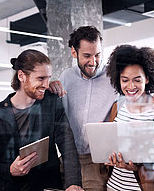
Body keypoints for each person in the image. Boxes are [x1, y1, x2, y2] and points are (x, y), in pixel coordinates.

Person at [0, 49, 83, 191]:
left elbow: (67, 145)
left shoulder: (51, 103)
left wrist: (73, 183)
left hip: (48, 185)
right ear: (21, 76)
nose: (46, 85)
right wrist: (9, 170)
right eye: (41, 78)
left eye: (48, 78)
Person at [49, 26, 117, 190]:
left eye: (98, 55)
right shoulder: (66, 76)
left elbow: (133, 97)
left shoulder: (113, 78)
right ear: (74, 52)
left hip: (96, 160)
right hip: (67, 157)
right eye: (87, 56)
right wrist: (49, 87)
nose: (93, 62)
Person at [104, 45, 154, 191]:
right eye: (125, 80)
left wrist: (137, 167)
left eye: (137, 80)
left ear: (147, 79)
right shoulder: (118, 107)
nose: (130, 86)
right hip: (113, 186)